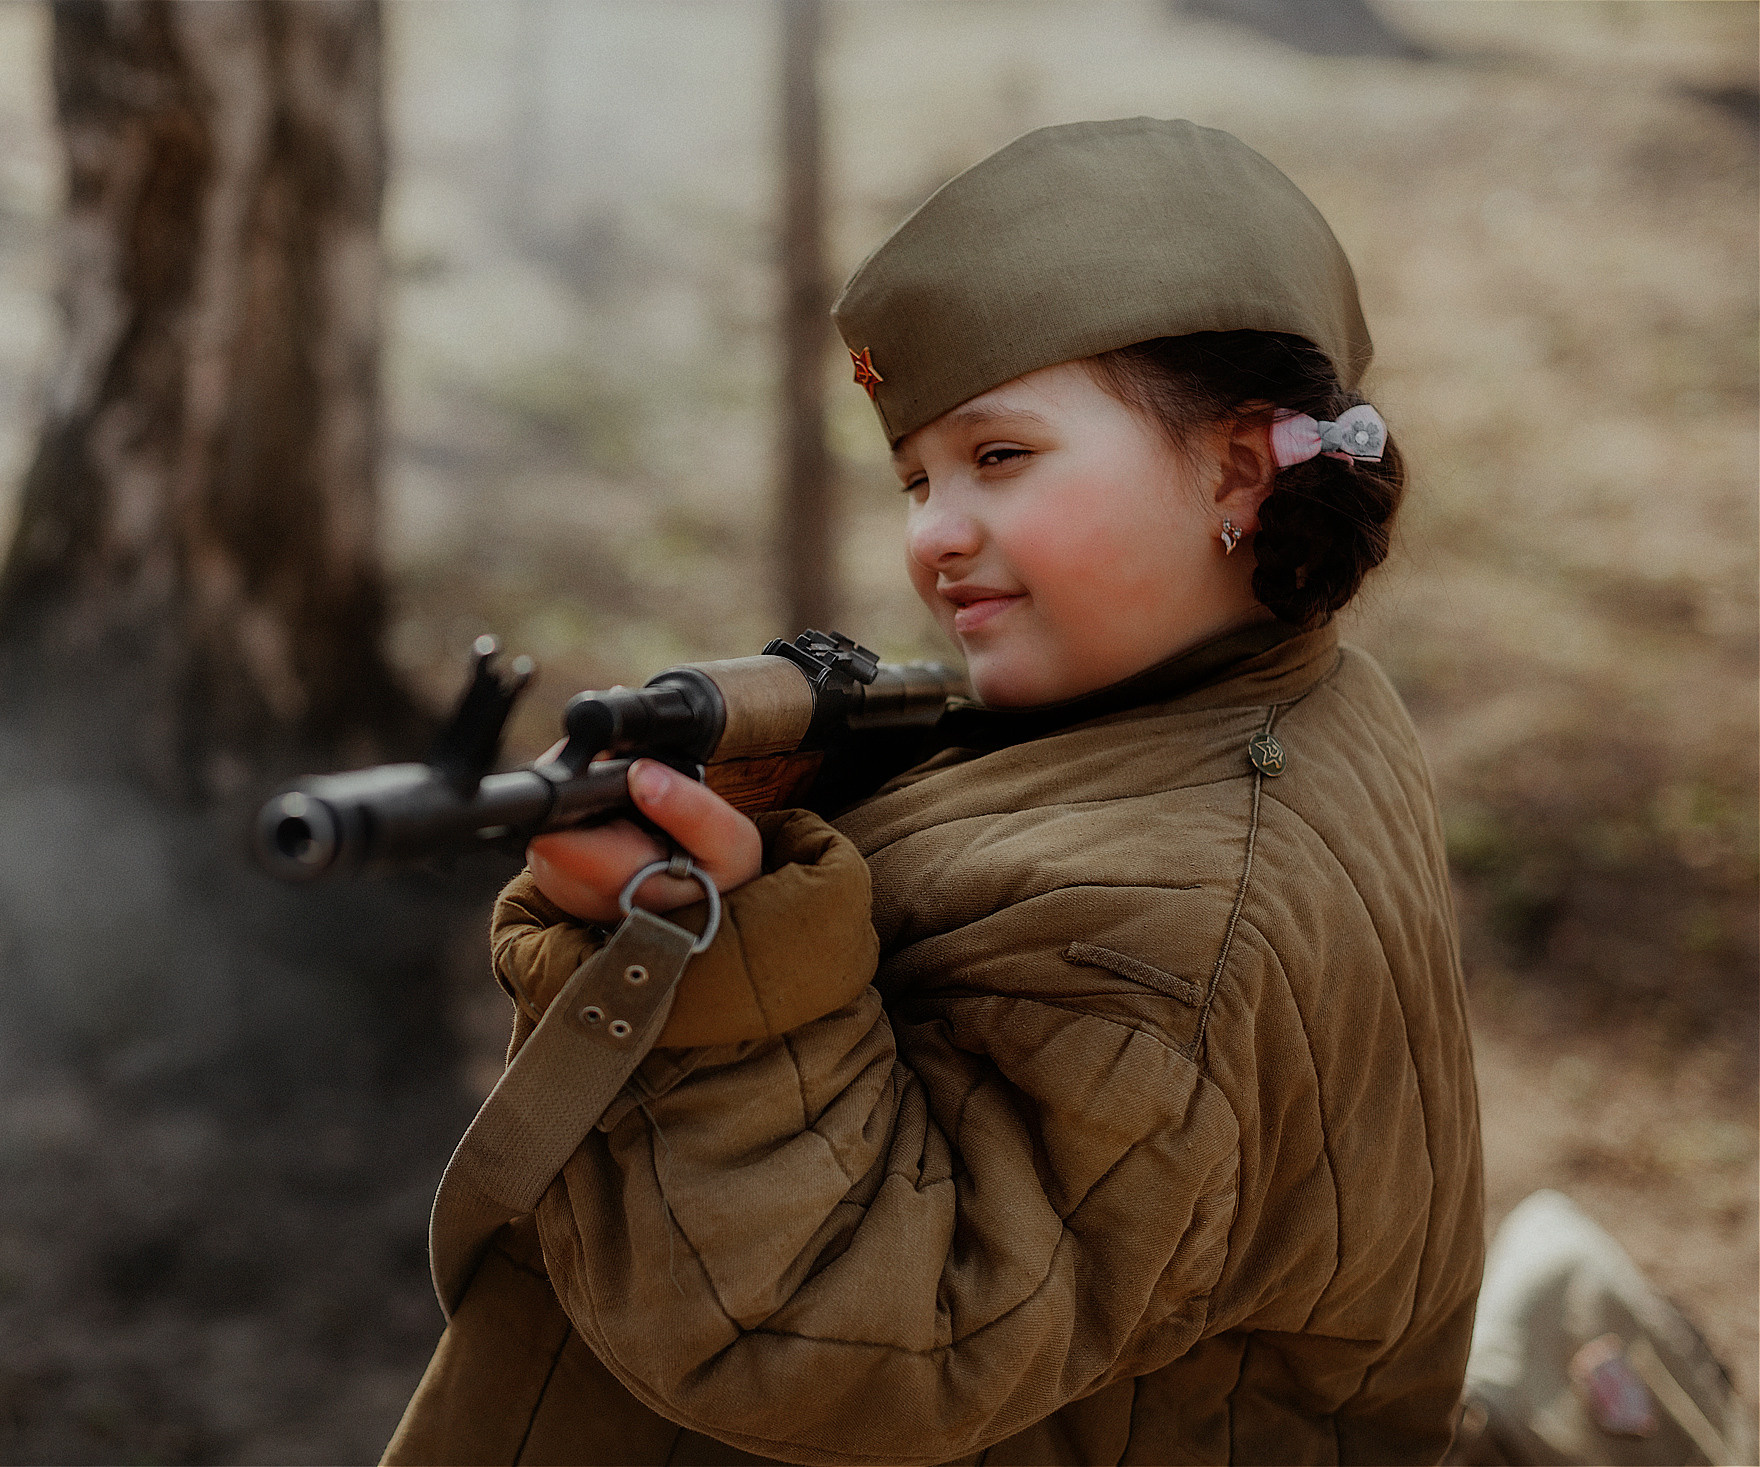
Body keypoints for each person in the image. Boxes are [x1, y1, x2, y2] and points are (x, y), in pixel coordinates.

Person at [384, 117, 1485, 1466]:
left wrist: (721, 965)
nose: (932, 535)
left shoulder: (1172, 930)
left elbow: (836, 1339)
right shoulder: (1277, 693)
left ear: (1238, 471)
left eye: (1000, 456)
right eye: (917, 478)